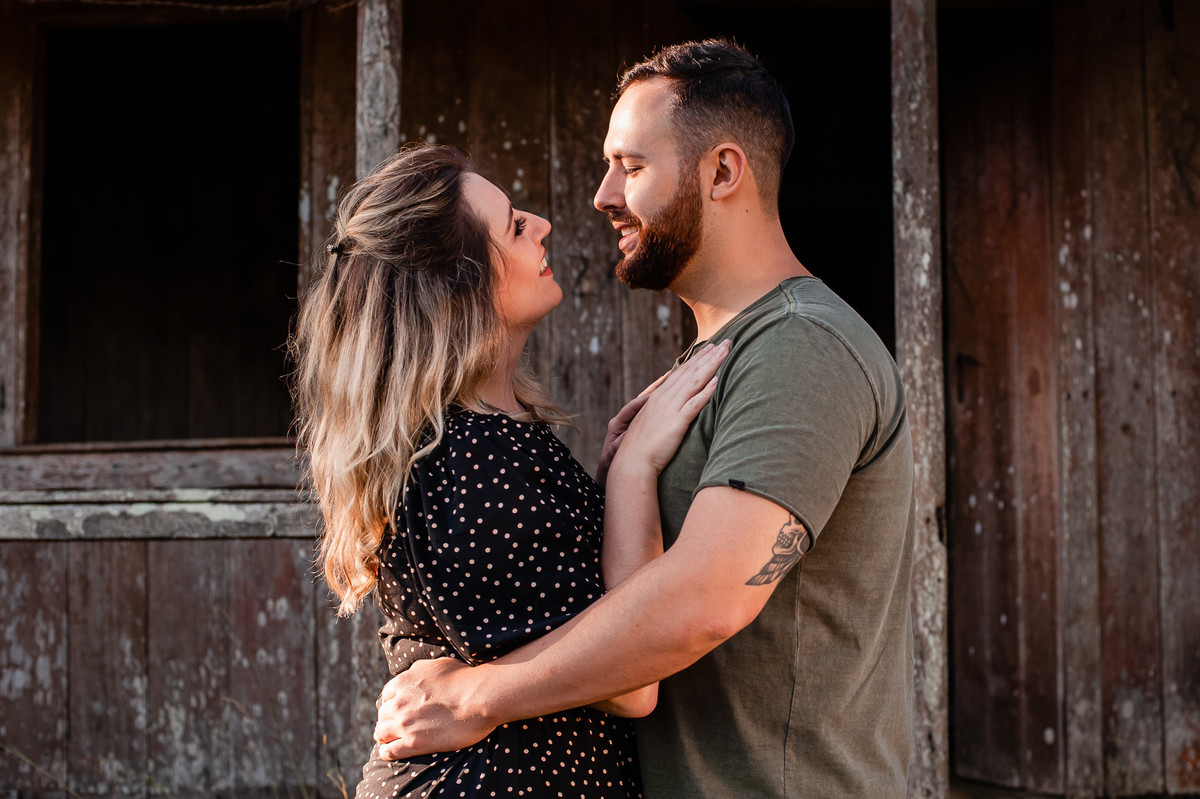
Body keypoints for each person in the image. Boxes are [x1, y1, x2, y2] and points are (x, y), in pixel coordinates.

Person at [372, 39, 916, 798]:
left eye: (630, 166)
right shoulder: (720, 357)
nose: (602, 196)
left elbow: (704, 601)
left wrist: (473, 696)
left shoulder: (802, 347)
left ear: (722, 172)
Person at [289, 143, 728, 798]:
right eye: (515, 225)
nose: (542, 225)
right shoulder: (470, 462)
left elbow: (562, 608)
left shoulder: (489, 439)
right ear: (461, 286)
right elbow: (631, 684)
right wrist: (636, 469)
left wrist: (611, 483)